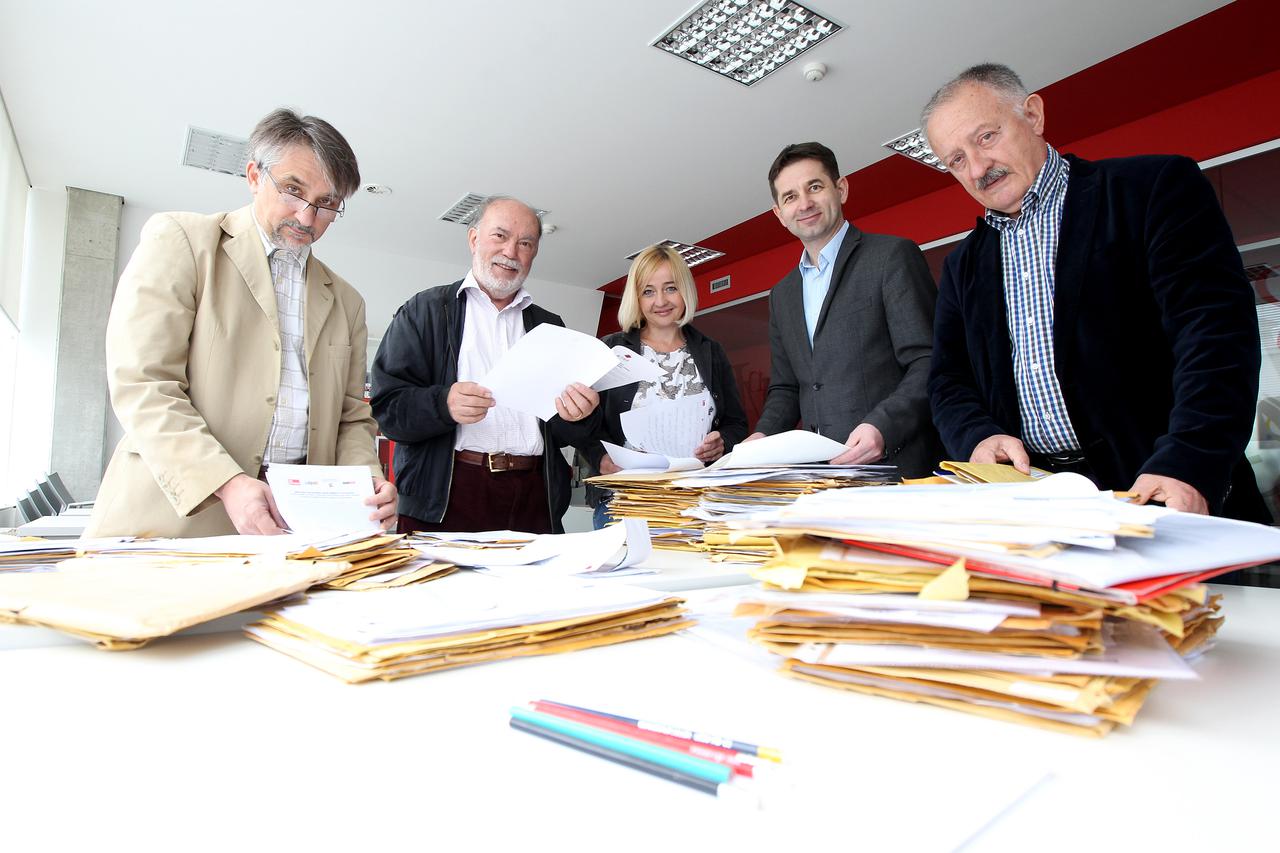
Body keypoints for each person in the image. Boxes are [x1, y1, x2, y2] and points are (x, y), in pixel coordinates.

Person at [922, 63, 1266, 519]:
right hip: (1039, 504)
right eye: (957, 160)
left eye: (986, 137)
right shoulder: (963, 264)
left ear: (1034, 116)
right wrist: (977, 435)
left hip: (1163, 487)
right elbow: (948, 378)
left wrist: (1189, 458)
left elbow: (1215, 336)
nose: (978, 167)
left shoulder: (1152, 189)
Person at [86, 108, 397, 538]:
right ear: (254, 176)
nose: (307, 217)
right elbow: (145, 385)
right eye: (293, 190)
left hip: (293, 526)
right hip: (174, 520)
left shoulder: (347, 302)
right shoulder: (183, 242)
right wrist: (227, 483)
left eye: (326, 204)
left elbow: (350, 418)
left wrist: (368, 482)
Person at [370, 196, 600, 534]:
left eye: (525, 243)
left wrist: (580, 416)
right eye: (500, 236)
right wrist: (443, 404)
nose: (511, 252)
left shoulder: (549, 327)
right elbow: (388, 410)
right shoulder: (425, 311)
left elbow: (563, 434)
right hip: (447, 499)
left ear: (534, 254)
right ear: (474, 239)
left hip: (536, 498)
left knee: (537, 589)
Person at [746, 142, 942, 477]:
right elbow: (787, 388)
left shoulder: (891, 257)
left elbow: (929, 361)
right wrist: (762, 436)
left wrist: (883, 426)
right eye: (790, 196)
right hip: (823, 477)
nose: (804, 203)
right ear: (779, 214)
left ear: (841, 189)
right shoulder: (781, 295)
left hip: (899, 469)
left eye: (815, 187)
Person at [580, 245, 750, 527]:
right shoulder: (611, 350)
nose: (661, 300)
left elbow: (736, 423)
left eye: (670, 288)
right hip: (627, 501)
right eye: (648, 291)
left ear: (685, 290)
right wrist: (600, 458)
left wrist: (722, 441)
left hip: (695, 501)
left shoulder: (711, 352)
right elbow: (579, 422)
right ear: (636, 298)